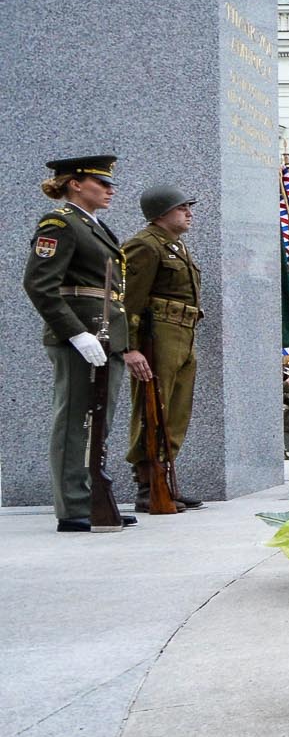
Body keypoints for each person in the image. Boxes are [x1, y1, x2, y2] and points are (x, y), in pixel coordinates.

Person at [23, 155, 144, 532]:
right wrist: (75, 333)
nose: (111, 189)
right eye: (101, 182)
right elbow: (39, 285)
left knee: (99, 423)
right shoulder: (60, 223)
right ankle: (73, 505)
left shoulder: (94, 226)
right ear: (75, 184)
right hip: (81, 335)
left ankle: (93, 499)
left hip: (105, 335)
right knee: (75, 420)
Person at [121, 182, 204, 510]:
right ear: (160, 213)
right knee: (152, 407)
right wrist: (129, 347)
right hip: (158, 336)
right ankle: (146, 483)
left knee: (176, 410)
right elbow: (129, 302)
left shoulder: (176, 246)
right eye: (182, 208)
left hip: (182, 332)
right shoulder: (145, 245)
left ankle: (165, 478)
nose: (189, 213)